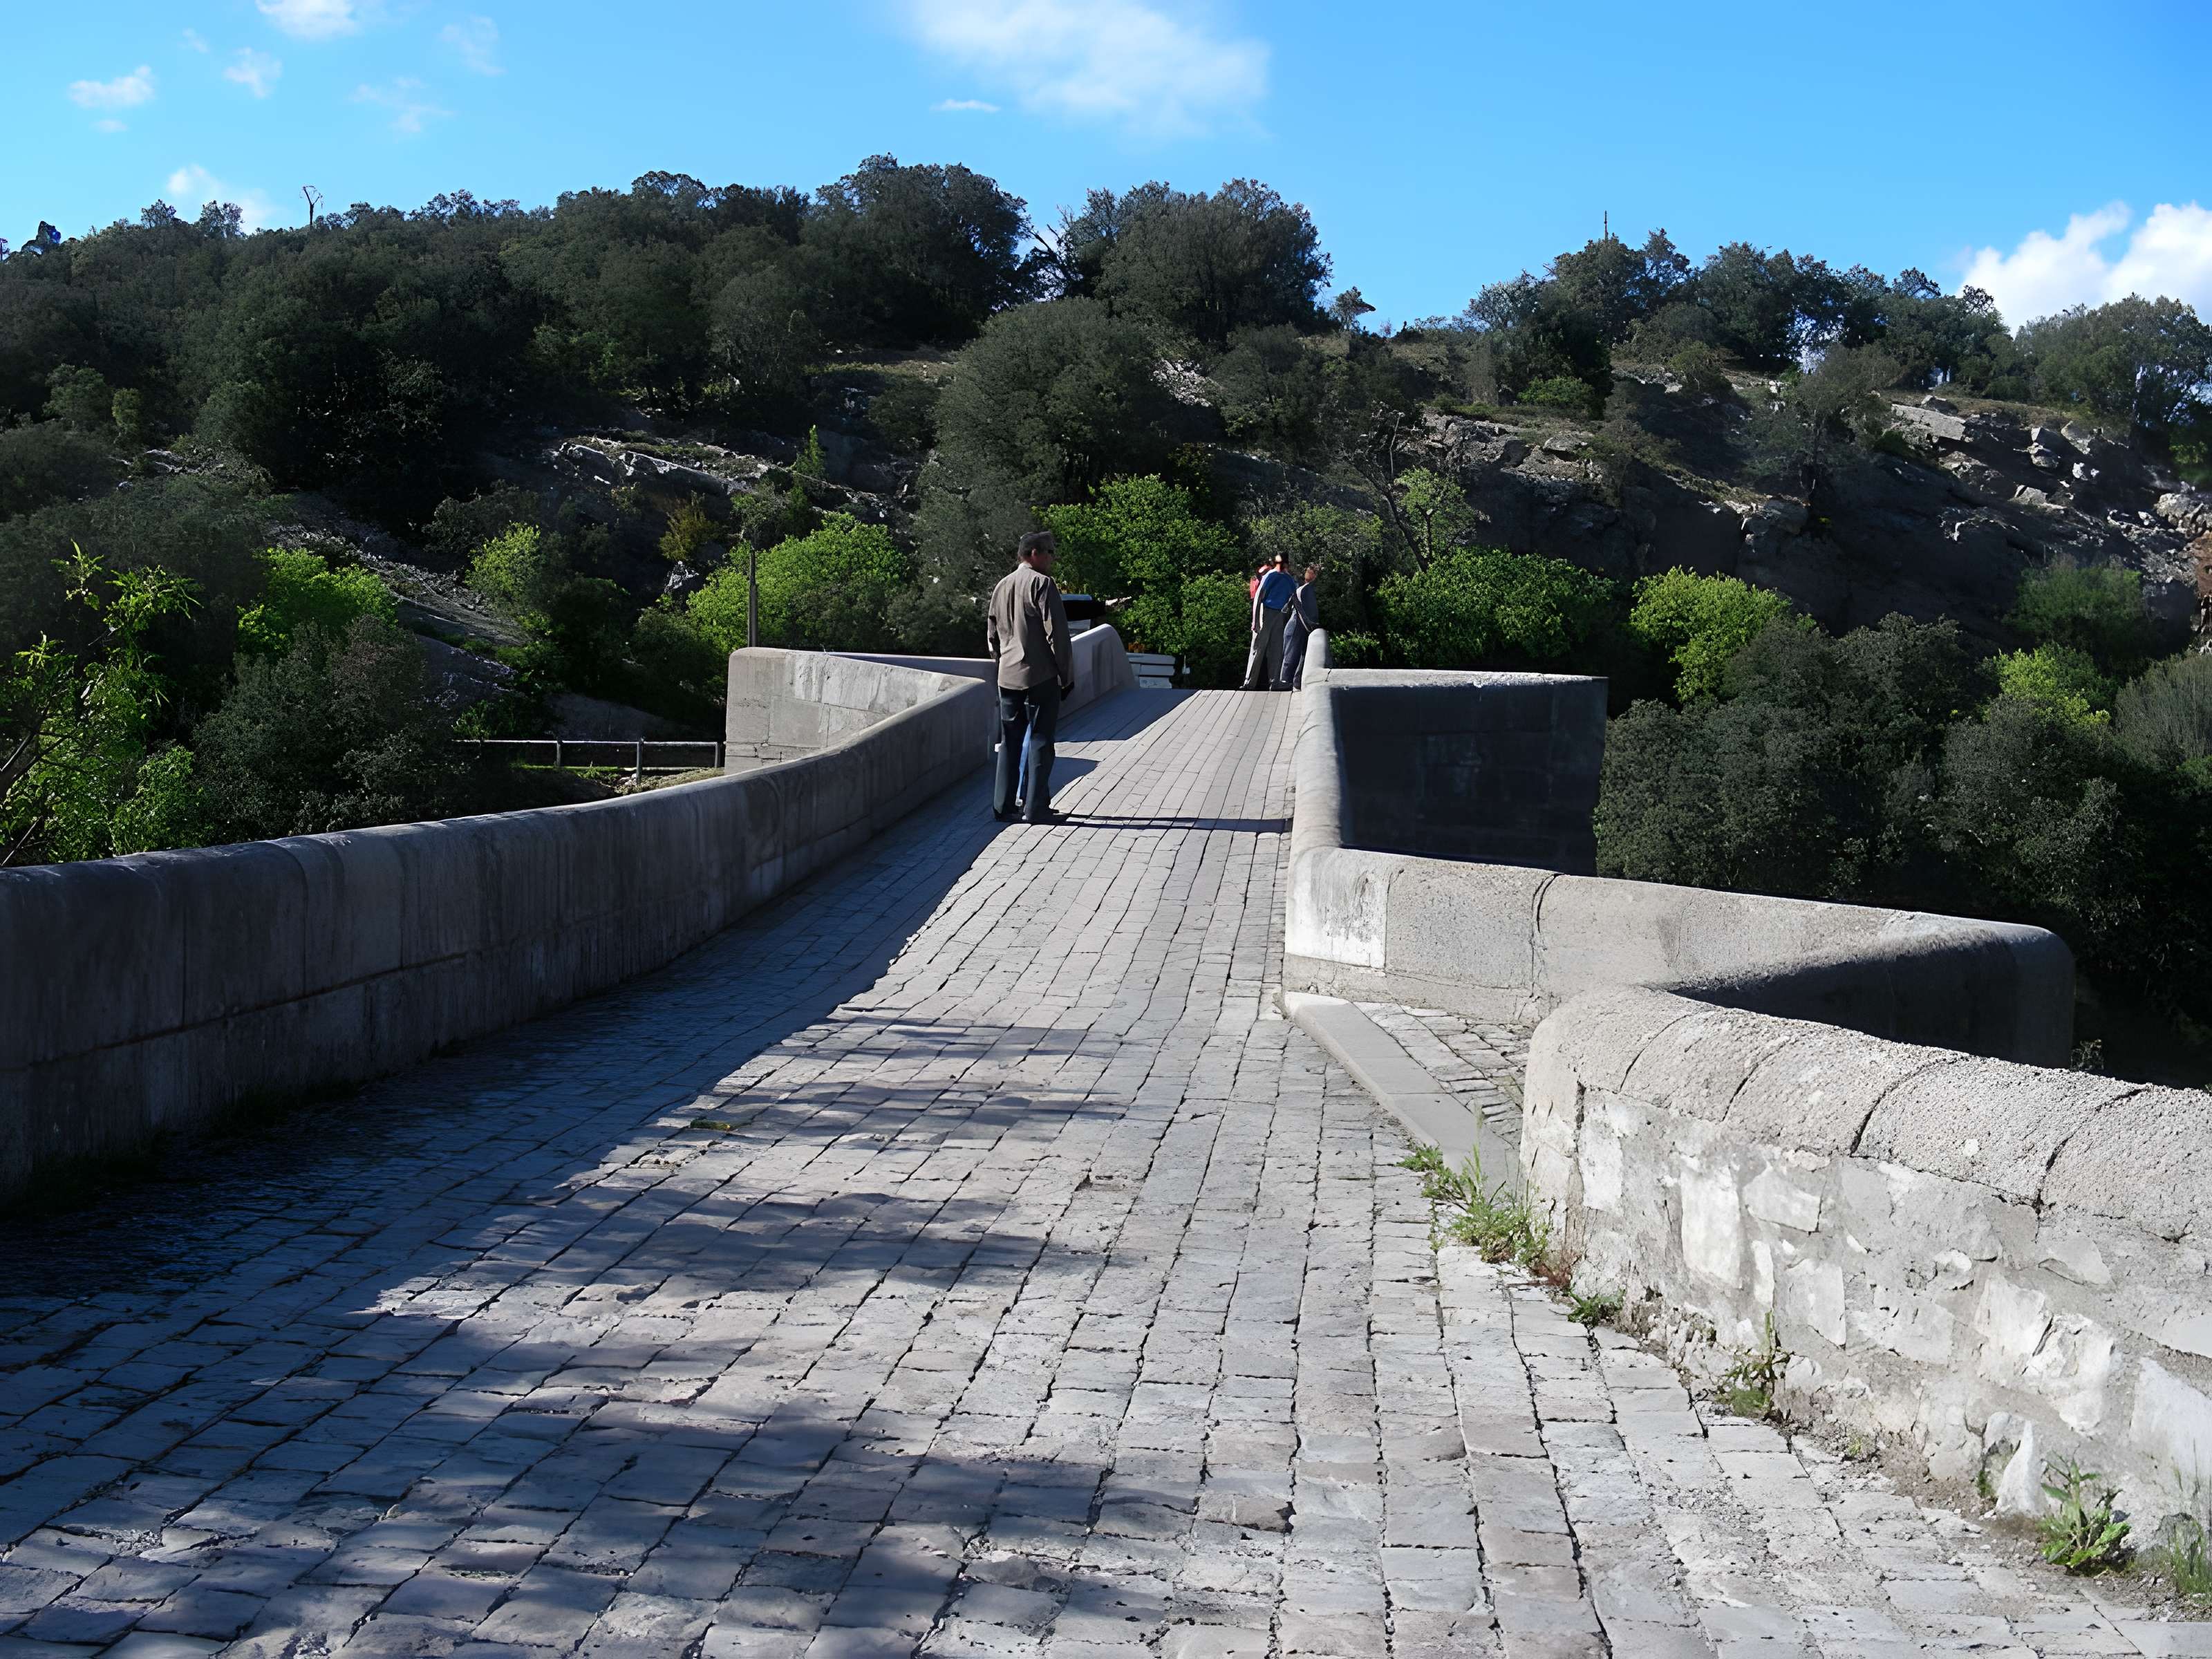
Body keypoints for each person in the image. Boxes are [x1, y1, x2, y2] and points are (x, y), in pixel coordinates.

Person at [986, 529, 1076, 824]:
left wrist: (1002, 664)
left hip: (1007, 677)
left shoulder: (1002, 585)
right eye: (1049, 551)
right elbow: (1058, 636)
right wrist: (1066, 677)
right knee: (1040, 739)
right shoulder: (1042, 584)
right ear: (1033, 553)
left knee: (1010, 742)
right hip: (1040, 677)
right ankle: (1035, 807)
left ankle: (1003, 806)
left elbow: (992, 636)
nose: (1053, 557)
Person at [1243, 554, 1296, 690]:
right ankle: (1249, 683)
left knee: (1276, 648)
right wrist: (1255, 621)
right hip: (1265, 612)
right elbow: (1259, 597)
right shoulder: (1271, 575)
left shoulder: (1288, 579)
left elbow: (1294, 597)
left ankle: (1275, 682)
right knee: (1258, 647)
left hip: (1279, 614)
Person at [1276, 563, 1321, 690]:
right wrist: (1311, 626)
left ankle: (1296, 682)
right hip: (1296, 625)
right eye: (1309, 570)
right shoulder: (1303, 590)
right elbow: (1300, 611)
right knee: (1290, 657)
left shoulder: (1309, 589)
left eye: (1312, 571)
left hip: (1302, 627)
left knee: (1301, 656)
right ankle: (1284, 683)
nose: (1309, 572)